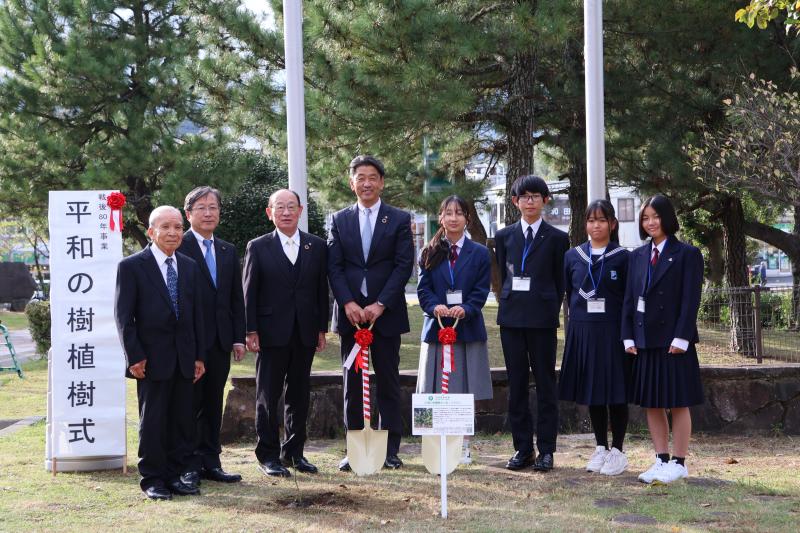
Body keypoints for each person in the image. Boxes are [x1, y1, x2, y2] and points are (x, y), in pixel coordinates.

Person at [328, 155, 414, 471]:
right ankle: (355, 449)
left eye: (372, 177)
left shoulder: (399, 219)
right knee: (352, 384)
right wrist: (348, 303)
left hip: (386, 315)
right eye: (360, 177)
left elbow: (403, 265)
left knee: (388, 381)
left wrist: (381, 304)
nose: (366, 183)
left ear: (381, 182)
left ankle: (389, 450)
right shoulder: (339, 219)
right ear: (351, 183)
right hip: (351, 317)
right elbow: (334, 266)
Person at [114, 206, 206, 500]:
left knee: (182, 421)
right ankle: (152, 479)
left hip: (184, 357)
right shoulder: (131, 266)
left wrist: (199, 356)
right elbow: (124, 318)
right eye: (165, 227)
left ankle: (176, 476)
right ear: (151, 232)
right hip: (150, 359)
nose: (173, 232)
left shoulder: (189, 266)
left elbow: (196, 315)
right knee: (153, 421)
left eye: (178, 227)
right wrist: (134, 356)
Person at [243, 189, 329, 477]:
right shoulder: (258, 246)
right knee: (267, 395)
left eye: (291, 206)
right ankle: (268, 455)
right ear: (270, 213)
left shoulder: (316, 246)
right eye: (279, 207)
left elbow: (321, 291)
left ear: (300, 211)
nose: (286, 212)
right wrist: (250, 329)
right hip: (270, 333)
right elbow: (249, 291)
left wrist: (321, 328)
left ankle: (294, 453)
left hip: (305, 331)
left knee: (299, 394)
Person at [621, 194, 704, 484]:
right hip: (645, 340)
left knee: (678, 401)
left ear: (667, 217)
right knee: (652, 402)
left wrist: (682, 337)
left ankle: (679, 462)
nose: (650, 222)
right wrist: (627, 336)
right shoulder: (637, 256)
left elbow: (690, 300)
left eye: (655, 216)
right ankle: (661, 459)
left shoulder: (687, 254)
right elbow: (629, 299)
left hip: (674, 342)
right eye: (645, 218)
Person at [494, 175, 570, 472]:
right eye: (524, 196)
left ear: (545, 200)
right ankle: (523, 448)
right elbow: (504, 275)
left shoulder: (557, 238)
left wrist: (549, 306)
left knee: (546, 384)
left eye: (535, 196)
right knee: (516, 385)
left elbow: (560, 281)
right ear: (515, 201)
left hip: (542, 320)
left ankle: (547, 450)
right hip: (512, 319)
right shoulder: (504, 236)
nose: (529, 201)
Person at [416, 195, 493, 464]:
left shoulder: (480, 253)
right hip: (436, 328)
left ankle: (464, 444)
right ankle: (432, 443)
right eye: (448, 213)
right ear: (441, 217)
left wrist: (467, 308)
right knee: (432, 386)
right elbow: (423, 289)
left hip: (467, 328)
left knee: (465, 388)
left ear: (467, 219)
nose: (453, 218)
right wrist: (434, 306)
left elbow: (481, 289)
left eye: (459, 213)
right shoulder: (428, 251)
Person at [177, 186, 246, 487]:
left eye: (213, 207)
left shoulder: (228, 250)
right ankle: (188, 464)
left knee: (213, 402)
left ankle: (211, 461)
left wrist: (238, 337)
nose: (208, 213)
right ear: (188, 213)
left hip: (220, 340)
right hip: (190, 341)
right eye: (201, 208)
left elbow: (235, 298)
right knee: (189, 404)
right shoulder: (178, 246)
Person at [558, 200, 631, 476]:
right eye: (591, 220)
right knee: (594, 391)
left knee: (616, 391)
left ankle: (618, 450)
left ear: (612, 224)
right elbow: (568, 294)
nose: (596, 225)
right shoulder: (573, 256)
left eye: (601, 220)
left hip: (613, 332)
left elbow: (629, 298)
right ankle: (601, 447)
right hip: (583, 331)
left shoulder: (623, 257)